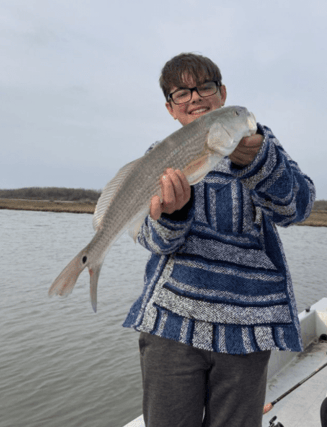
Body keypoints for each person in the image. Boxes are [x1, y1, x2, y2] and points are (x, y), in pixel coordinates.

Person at [123, 53, 316, 427]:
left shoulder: (259, 143)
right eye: (182, 93)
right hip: (172, 323)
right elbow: (153, 240)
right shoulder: (159, 157)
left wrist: (258, 161)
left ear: (222, 94)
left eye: (205, 87)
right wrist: (175, 214)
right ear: (171, 109)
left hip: (248, 325)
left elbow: (299, 208)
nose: (195, 98)